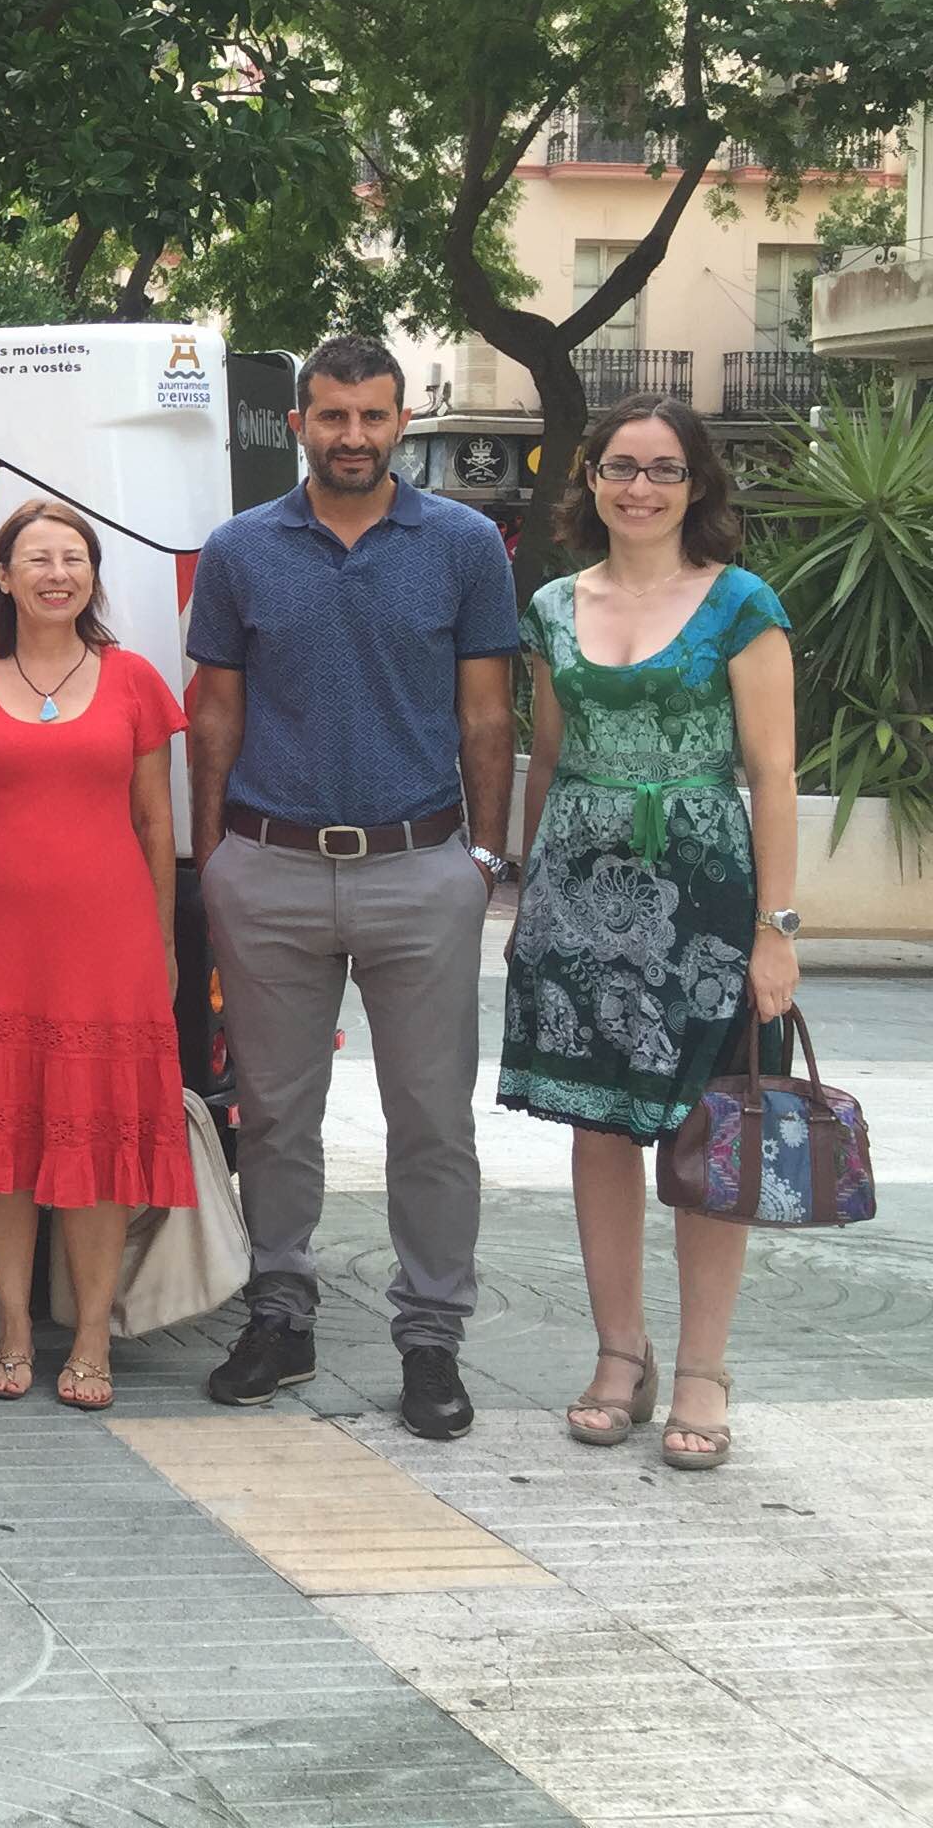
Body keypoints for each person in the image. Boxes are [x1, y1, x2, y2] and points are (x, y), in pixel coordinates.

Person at [187, 333, 520, 1441]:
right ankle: (279, 1316)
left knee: (432, 1121)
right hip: (269, 866)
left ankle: (431, 1338)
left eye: (374, 416)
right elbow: (214, 713)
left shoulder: (465, 545)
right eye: (332, 416)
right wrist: (213, 860)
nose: (353, 435)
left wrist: (483, 860)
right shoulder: (240, 549)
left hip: (420, 869)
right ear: (299, 424)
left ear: (401, 422)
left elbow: (487, 713)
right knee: (276, 1115)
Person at [500, 395, 797, 1472]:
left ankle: (705, 1368)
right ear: (590, 478)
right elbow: (547, 757)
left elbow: (773, 774)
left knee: (711, 1127)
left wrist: (776, 930)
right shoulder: (551, 606)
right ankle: (620, 1354)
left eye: (664, 469)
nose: (640, 487)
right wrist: (527, 902)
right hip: (576, 900)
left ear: (697, 484)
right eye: (621, 466)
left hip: (705, 902)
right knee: (598, 1124)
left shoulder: (742, 605)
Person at [0, 500, 193, 1409]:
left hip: (108, 945)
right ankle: (14, 1328)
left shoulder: (134, 679)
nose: (57, 573)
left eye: (74, 558)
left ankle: (92, 1339)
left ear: (93, 576)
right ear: (3, 576)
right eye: (37, 558)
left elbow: (156, 823)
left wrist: (162, 940)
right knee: (3, 1140)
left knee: (94, 1137)